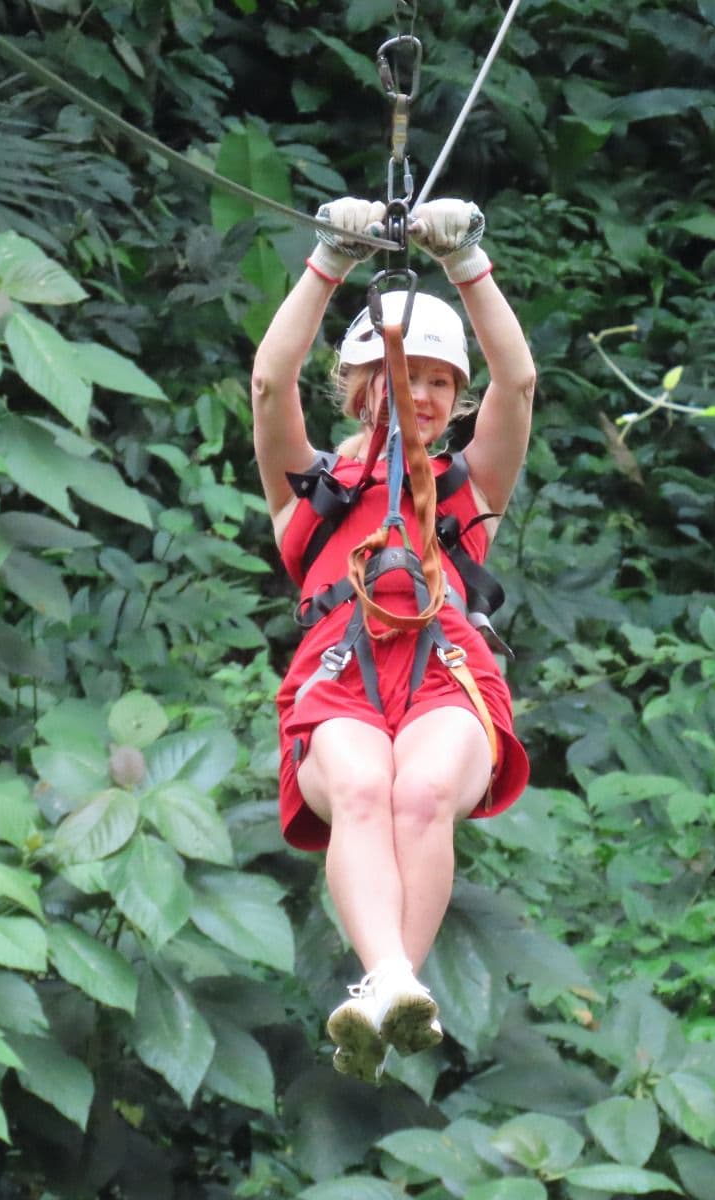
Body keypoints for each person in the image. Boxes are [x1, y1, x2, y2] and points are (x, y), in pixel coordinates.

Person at [250, 196, 535, 1082]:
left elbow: (518, 383)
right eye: (404, 374)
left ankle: (385, 988)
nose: (423, 392)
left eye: (441, 382)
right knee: (366, 790)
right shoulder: (313, 493)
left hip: (446, 671)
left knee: (422, 795)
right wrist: (329, 261)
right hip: (341, 676)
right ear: (363, 384)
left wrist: (468, 265)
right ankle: (393, 984)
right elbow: (269, 383)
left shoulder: (468, 486)